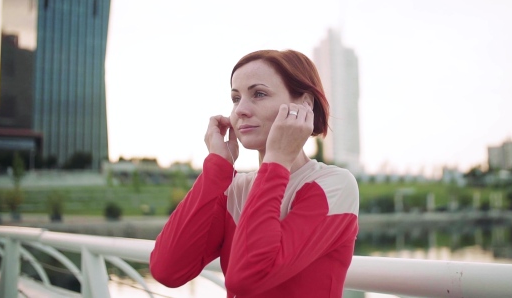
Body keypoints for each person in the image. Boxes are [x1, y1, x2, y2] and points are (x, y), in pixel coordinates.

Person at [150, 49, 359, 298]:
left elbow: (247, 278)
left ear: (304, 104)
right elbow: (167, 269)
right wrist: (217, 168)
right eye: (235, 98)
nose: (240, 110)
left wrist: (278, 160)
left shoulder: (333, 185)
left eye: (259, 94)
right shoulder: (234, 189)